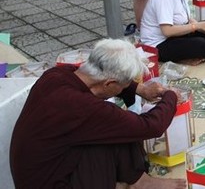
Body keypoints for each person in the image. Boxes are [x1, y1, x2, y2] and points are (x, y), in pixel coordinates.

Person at [10, 38, 186, 189]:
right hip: (49, 182)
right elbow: (151, 126)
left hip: (46, 165)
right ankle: (141, 182)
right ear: (109, 84)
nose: (125, 87)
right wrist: (170, 97)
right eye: (123, 85)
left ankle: (139, 181)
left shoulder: (56, 74)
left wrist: (141, 89)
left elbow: (104, 77)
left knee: (118, 126)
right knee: (124, 125)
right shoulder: (81, 106)